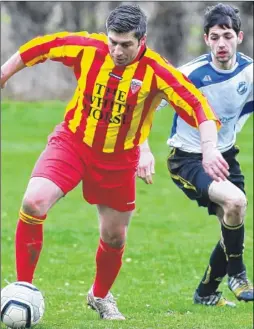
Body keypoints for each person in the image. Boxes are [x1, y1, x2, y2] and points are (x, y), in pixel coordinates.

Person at [1, 4, 229, 320]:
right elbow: (40, 48)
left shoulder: (156, 71)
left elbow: (198, 105)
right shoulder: (89, 48)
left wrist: (209, 148)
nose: (117, 51)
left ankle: (100, 295)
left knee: (114, 236)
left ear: (142, 40)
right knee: (33, 202)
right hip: (72, 143)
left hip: (120, 160)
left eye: (126, 44)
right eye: (113, 42)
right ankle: (23, 289)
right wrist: (4, 73)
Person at [139, 3, 253, 307]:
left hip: (224, 156)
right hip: (187, 159)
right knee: (236, 203)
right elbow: (146, 106)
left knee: (232, 221)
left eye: (227, 36)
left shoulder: (249, 72)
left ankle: (205, 293)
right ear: (206, 39)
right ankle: (238, 275)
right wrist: (143, 148)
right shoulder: (188, 74)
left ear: (239, 37)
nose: (221, 44)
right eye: (214, 37)